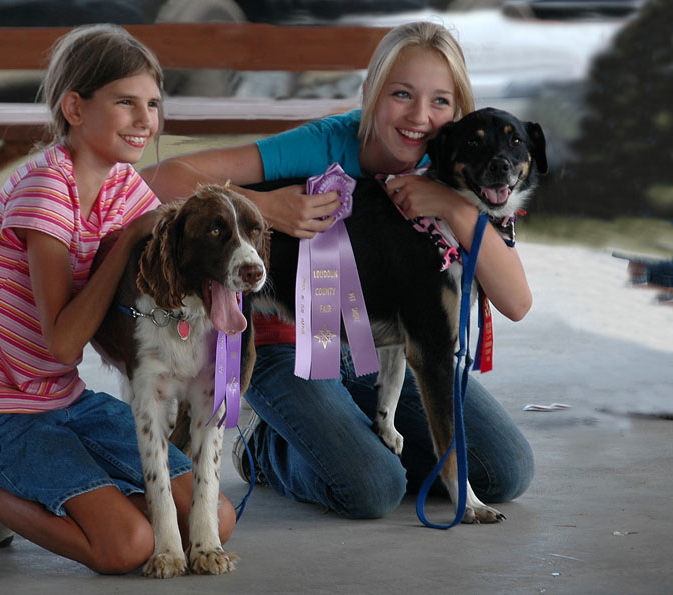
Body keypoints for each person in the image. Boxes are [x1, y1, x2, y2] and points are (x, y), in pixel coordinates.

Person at [0, 24, 235, 573]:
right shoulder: (45, 190)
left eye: (153, 103)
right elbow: (61, 342)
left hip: (61, 398)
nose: (145, 120)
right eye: (125, 102)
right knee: (124, 547)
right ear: (74, 108)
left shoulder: (125, 186)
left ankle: (74, 503)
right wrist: (129, 238)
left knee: (212, 519)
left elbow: (157, 272)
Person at [141, 21, 535, 519]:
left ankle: (350, 441)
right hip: (283, 344)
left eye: (440, 101)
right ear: (370, 93)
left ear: (459, 113)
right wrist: (267, 207)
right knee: (372, 488)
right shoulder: (327, 143)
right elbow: (163, 179)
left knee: (506, 470)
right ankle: (262, 447)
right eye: (401, 94)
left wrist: (454, 209)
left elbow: (517, 302)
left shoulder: (457, 168)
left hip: (373, 348)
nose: (419, 116)